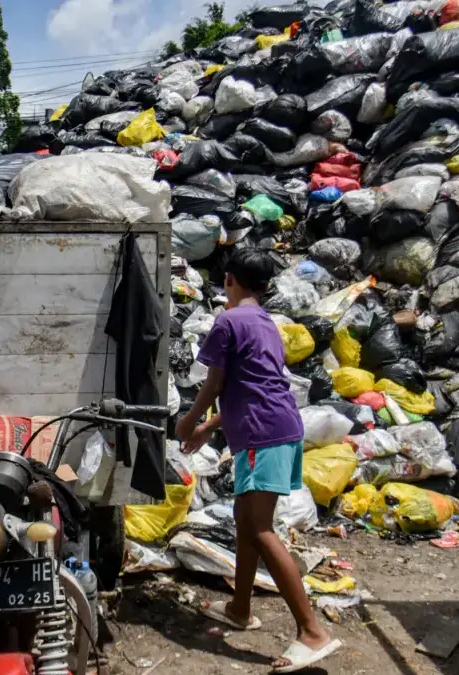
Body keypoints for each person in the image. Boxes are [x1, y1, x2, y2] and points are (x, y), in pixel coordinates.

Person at [175, 248, 341, 673]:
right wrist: (211, 428)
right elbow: (249, 384)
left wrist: (189, 421)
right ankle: (239, 609)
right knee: (245, 521)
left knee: (262, 530)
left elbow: (215, 383)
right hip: (279, 428)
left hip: (261, 436)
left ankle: (312, 632)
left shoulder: (227, 321)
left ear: (228, 279)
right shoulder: (266, 321)